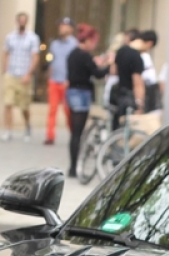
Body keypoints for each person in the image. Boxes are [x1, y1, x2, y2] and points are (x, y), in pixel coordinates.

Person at [65, 23, 107, 175]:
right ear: (88, 40)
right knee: (79, 132)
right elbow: (97, 74)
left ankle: (72, 166)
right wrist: (108, 66)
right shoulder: (85, 56)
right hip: (82, 93)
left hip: (71, 92)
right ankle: (74, 166)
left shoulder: (72, 54)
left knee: (74, 132)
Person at [2, 12, 39, 141]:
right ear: (17, 21)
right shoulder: (10, 37)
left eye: (24, 20)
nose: (22, 23)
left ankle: (27, 126)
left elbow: (35, 57)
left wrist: (29, 74)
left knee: (24, 106)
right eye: (20, 20)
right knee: (8, 103)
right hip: (11, 74)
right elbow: (6, 53)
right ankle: (8, 130)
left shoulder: (32, 38)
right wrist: (5, 70)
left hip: (24, 75)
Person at [44, 17, 77, 145]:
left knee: (68, 111)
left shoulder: (74, 44)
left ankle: (73, 135)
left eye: (63, 26)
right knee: (52, 109)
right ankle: (50, 136)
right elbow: (51, 61)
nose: (61, 28)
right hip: (54, 80)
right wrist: (49, 76)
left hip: (66, 82)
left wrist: (70, 79)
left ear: (70, 29)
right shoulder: (54, 44)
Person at [109, 29, 144, 130]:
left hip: (118, 94)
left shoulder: (121, 51)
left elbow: (113, 71)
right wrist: (139, 103)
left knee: (116, 126)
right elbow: (137, 83)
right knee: (128, 129)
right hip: (129, 97)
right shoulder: (136, 57)